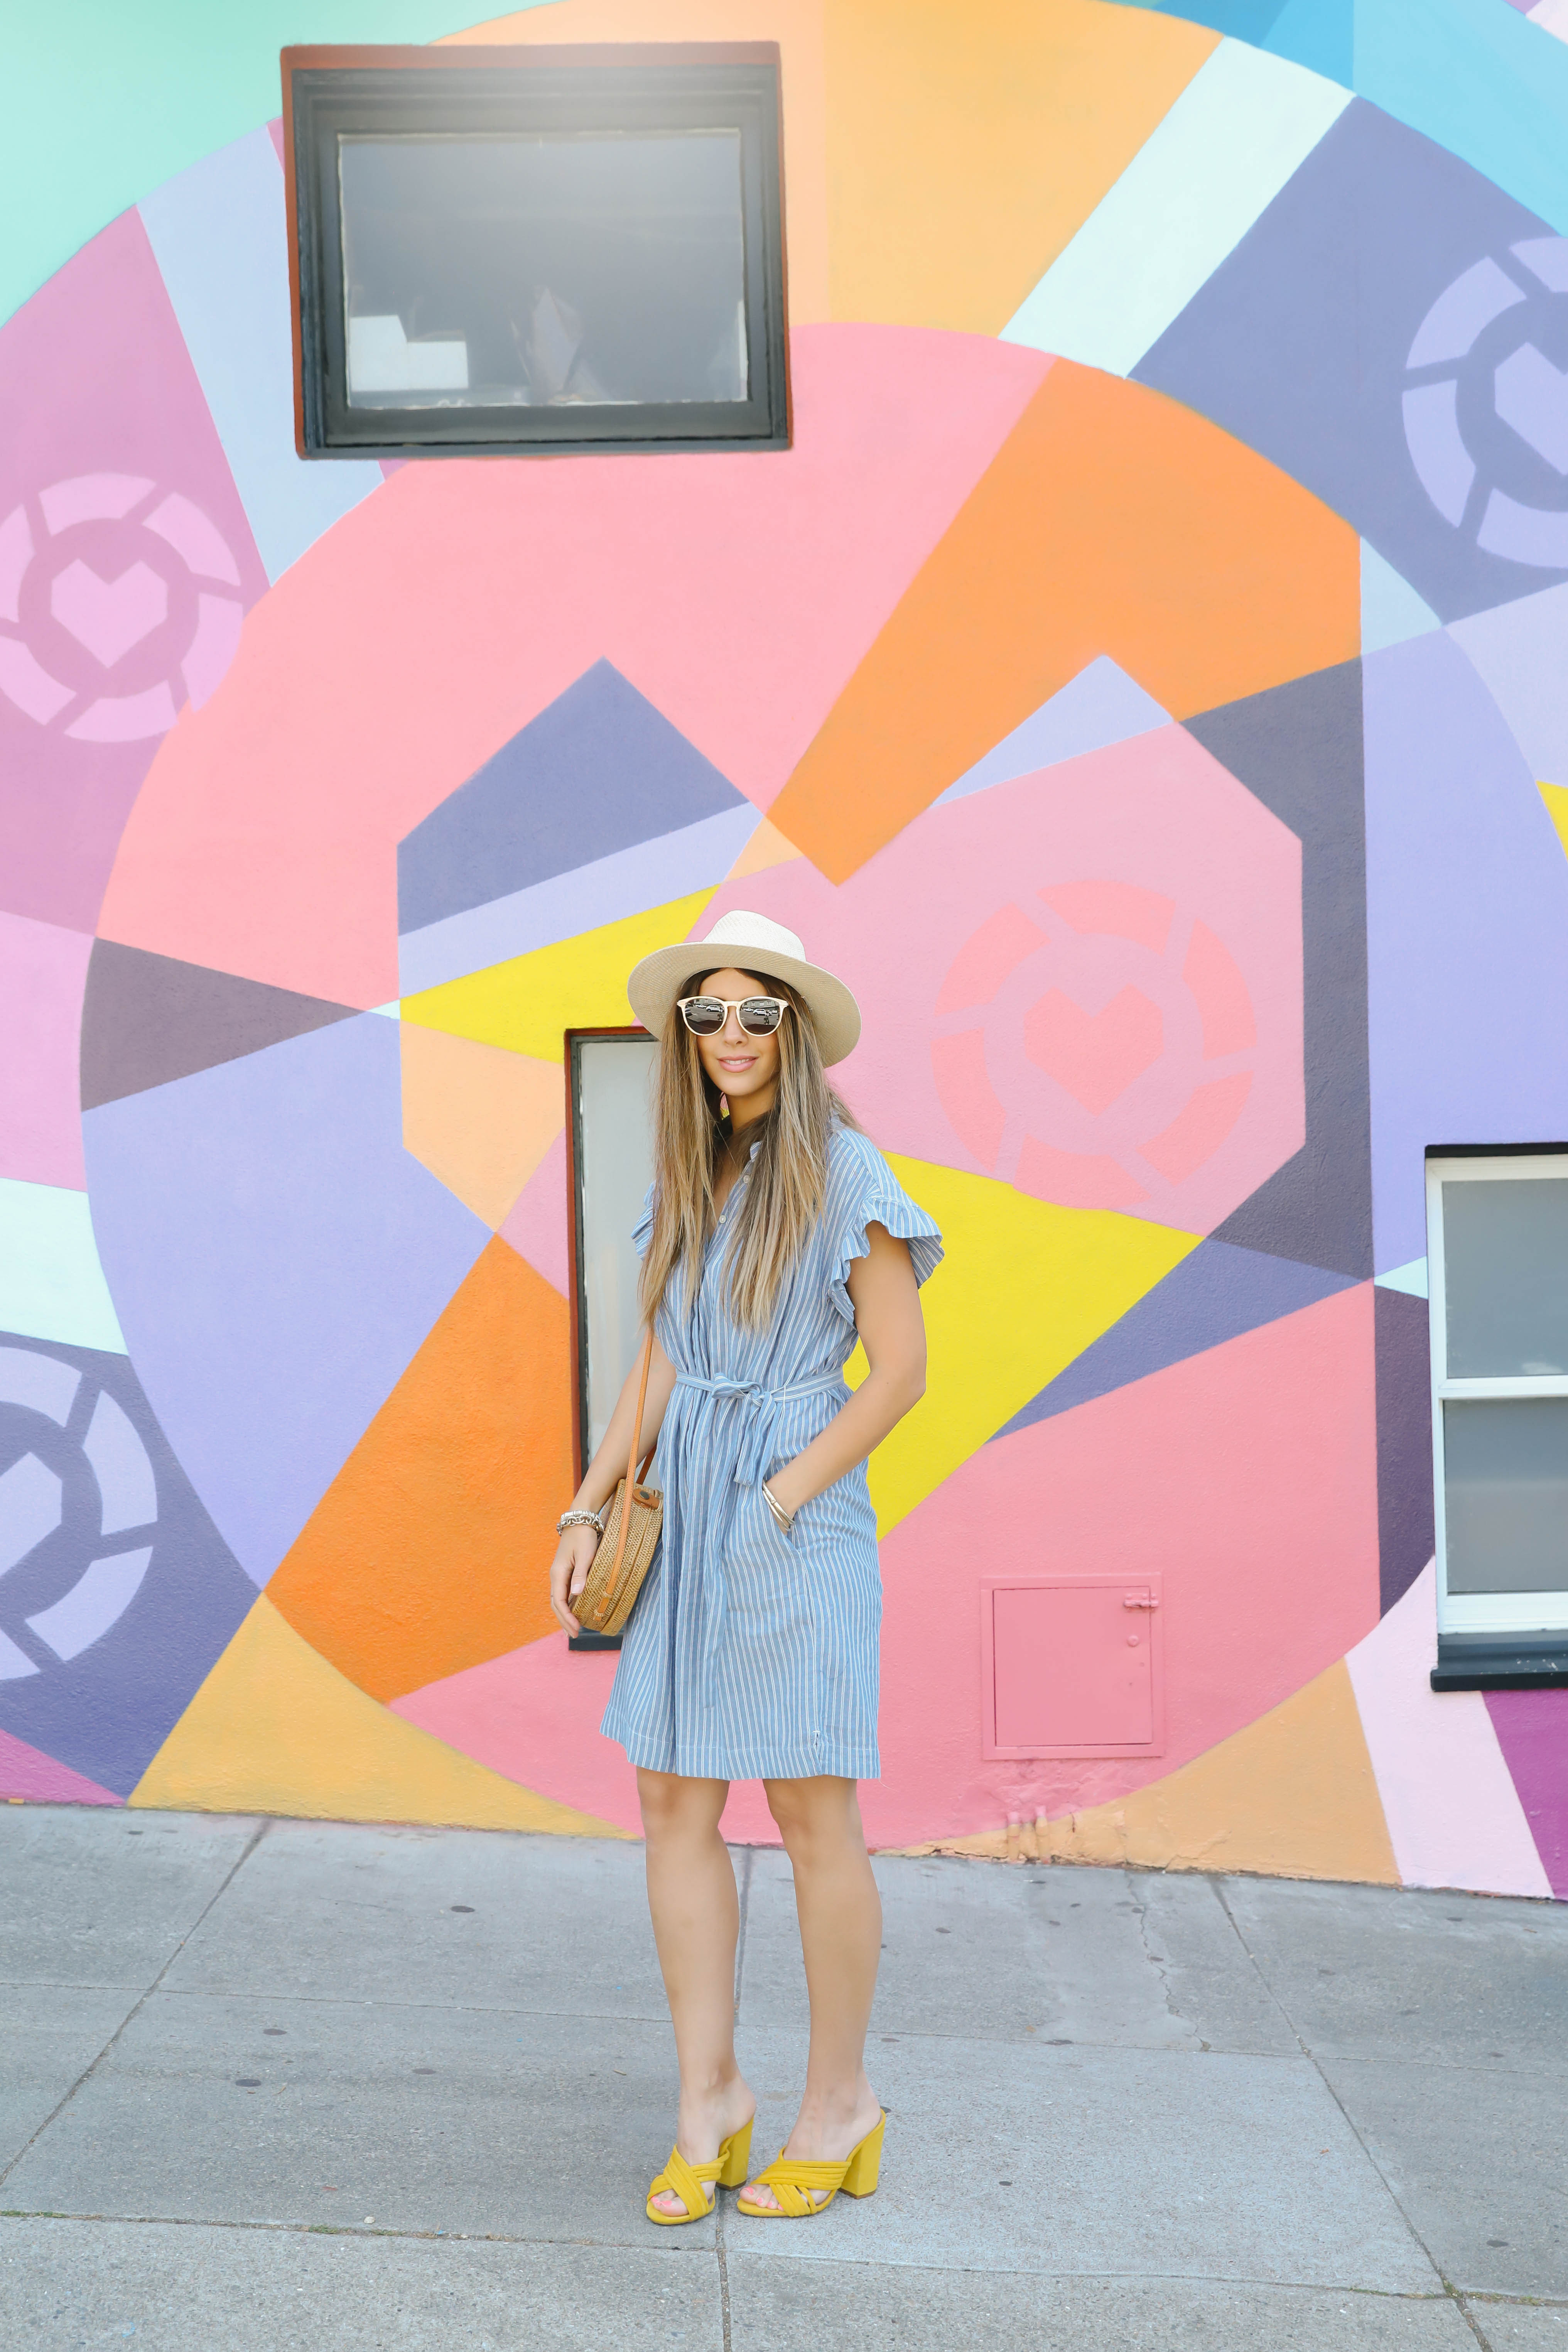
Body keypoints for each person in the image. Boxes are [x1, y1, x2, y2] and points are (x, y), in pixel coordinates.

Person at [549, 908, 942, 2225]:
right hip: (686, 1507)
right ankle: (706, 2099)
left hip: (787, 1510)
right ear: (683, 1033)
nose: (730, 1035)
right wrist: (588, 1505)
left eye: (756, 1013)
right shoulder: (692, 1167)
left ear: (795, 1029)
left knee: (812, 1812)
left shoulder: (845, 1173)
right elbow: (655, 1361)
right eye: (707, 1013)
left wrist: (780, 1492)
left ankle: (840, 2107)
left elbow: (899, 1374)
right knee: (670, 1798)